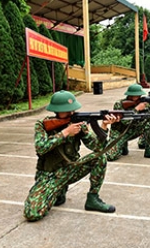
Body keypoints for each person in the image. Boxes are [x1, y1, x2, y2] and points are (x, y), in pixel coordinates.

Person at [24, 90, 119, 222]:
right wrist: (65, 133)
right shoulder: (42, 125)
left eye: (72, 110)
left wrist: (103, 126)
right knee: (32, 213)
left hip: (70, 169)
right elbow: (40, 148)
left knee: (99, 157)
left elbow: (97, 148)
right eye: (67, 110)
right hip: (49, 175)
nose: (71, 113)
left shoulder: (79, 124)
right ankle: (58, 191)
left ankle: (93, 198)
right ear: (56, 110)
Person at [106, 83, 150, 161]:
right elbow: (125, 122)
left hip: (133, 131)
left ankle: (149, 150)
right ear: (130, 95)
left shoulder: (143, 103)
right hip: (120, 133)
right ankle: (122, 145)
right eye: (136, 95)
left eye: (139, 95)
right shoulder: (119, 104)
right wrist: (136, 109)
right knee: (110, 157)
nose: (138, 97)